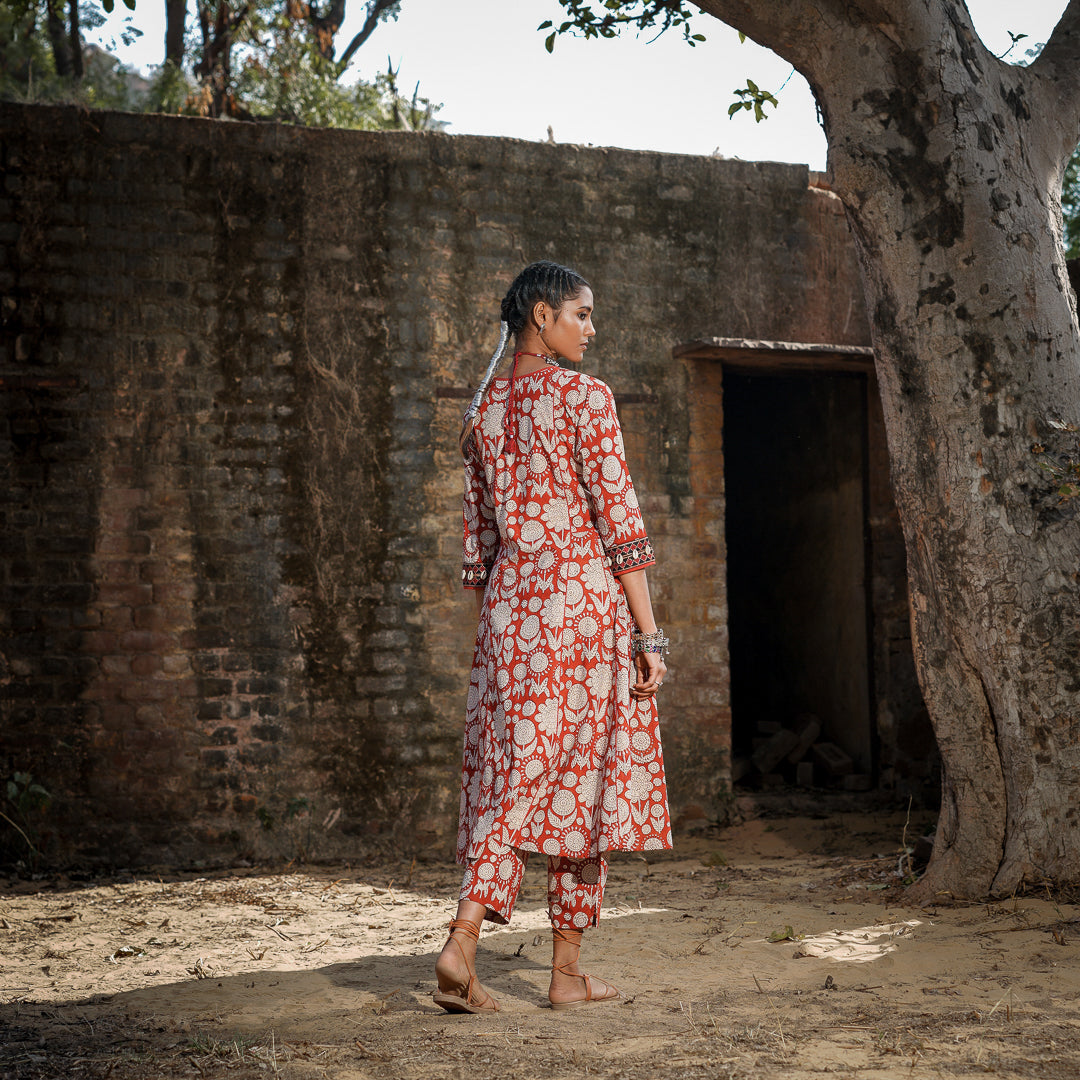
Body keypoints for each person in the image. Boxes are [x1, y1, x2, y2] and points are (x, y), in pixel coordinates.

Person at [434, 261, 672, 1014]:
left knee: (516, 772)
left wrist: (509, 621)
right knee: (577, 781)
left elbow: (480, 551)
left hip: (510, 613)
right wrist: (650, 635)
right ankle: (469, 942)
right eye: (582, 313)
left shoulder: (481, 416)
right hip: (579, 607)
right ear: (541, 315)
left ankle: (552, 972)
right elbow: (621, 524)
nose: (591, 328)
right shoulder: (583, 397)